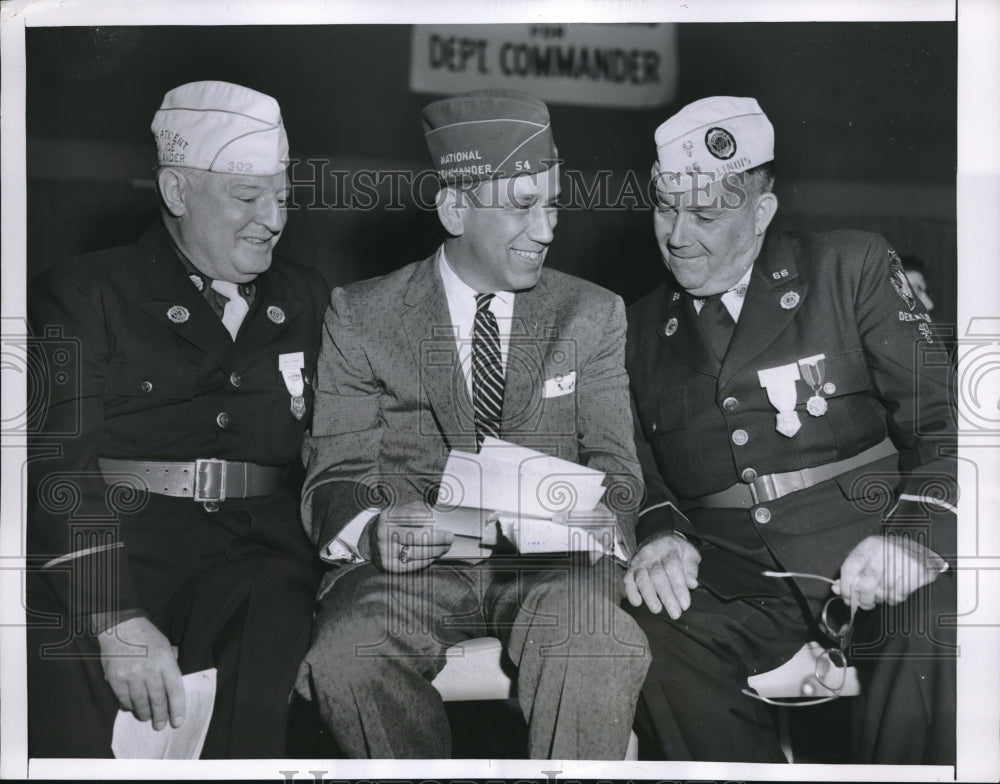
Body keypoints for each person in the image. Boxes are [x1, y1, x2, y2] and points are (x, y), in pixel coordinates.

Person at [295, 89, 649, 760]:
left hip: (553, 569)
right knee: (347, 657)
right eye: (521, 206)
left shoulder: (593, 313)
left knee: (596, 643)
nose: (546, 229)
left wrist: (601, 521)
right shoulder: (361, 314)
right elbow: (336, 472)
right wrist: (374, 528)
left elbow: (619, 469)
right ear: (455, 208)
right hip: (410, 573)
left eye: (552, 205)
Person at [624, 96, 956, 764]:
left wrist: (916, 543)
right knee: (645, 633)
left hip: (871, 551)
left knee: (940, 622)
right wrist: (659, 532)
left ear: (762, 212)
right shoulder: (633, 328)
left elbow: (951, 427)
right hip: (734, 579)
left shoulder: (849, 269)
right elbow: (636, 467)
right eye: (664, 207)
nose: (678, 235)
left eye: (707, 214)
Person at [26, 80, 327, 758]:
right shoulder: (82, 292)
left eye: (282, 196)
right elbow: (55, 464)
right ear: (176, 192)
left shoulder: (306, 297)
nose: (272, 218)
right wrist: (114, 615)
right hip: (115, 551)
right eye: (248, 197)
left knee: (273, 629)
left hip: (256, 562)